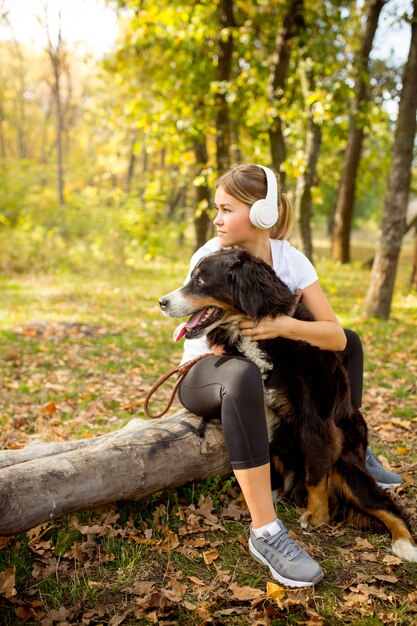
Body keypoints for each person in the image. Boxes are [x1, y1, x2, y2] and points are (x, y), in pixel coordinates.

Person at [176, 163, 402, 588]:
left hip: (262, 366)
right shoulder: (211, 257)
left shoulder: (289, 259)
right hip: (204, 373)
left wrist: (286, 326)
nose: (217, 218)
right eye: (216, 209)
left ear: (262, 214)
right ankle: (265, 531)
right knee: (241, 375)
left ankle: (352, 446)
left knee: (350, 340)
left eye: (226, 209)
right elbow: (203, 330)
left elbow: (335, 336)